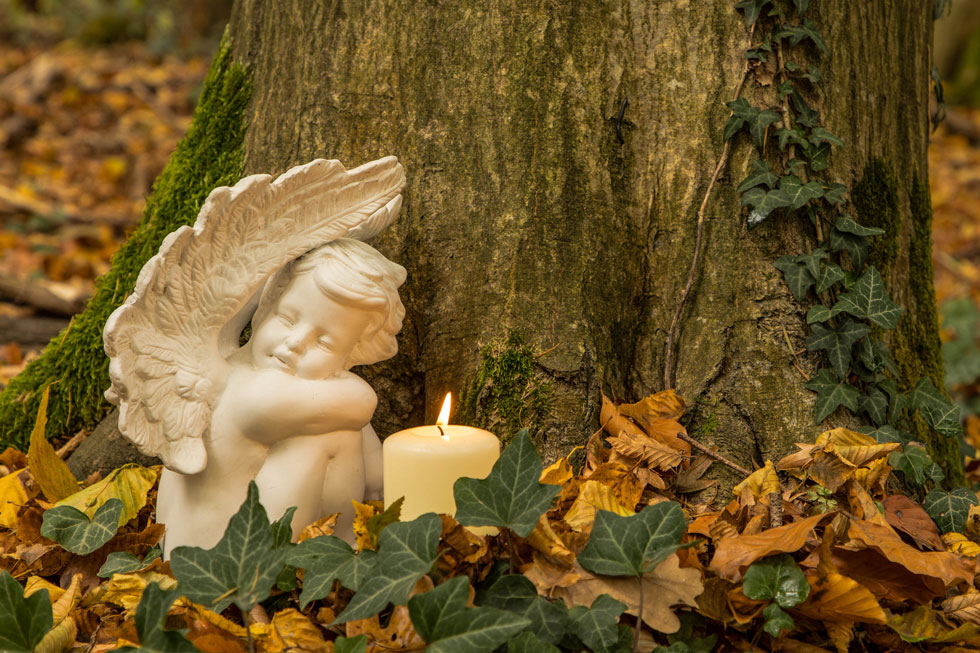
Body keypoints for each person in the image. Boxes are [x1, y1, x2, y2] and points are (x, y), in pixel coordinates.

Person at [156, 238, 406, 549]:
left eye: (325, 343)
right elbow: (363, 402)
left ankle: (336, 550)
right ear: (265, 306)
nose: (296, 342)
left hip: (207, 552)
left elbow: (378, 478)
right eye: (287, 318)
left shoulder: (303, 396)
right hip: (222, 559)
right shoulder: (253, 393)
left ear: (351, 355)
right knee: (325, 436)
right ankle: (337, 551)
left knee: (337, 427)